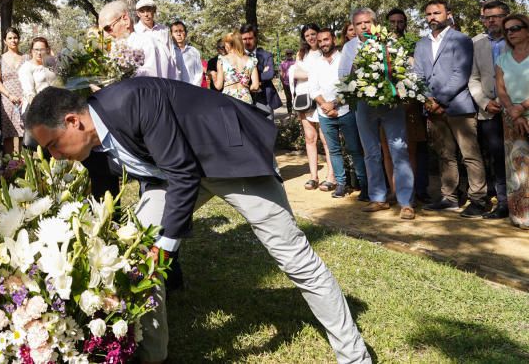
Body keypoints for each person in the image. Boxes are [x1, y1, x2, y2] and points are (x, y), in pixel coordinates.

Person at [24, 83, 372, 364]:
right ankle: (151, 354)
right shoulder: (88, 145)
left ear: (73, 121)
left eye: (53, 146)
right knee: (136, 254)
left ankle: (355, 356)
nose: (54, 156)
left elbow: (183, 173)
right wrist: (101, 243)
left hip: (225, 154)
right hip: (174, 173)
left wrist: (166, 247)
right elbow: (107, 199)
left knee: (294, 257)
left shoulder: (133, 101)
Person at [339, 8, 415, 218]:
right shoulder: (349, 48)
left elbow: (404, 72)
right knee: (371, 152)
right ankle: (378, 198)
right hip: (363, 106)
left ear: (374, 23)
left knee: (399, 149)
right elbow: (343, 76)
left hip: (391, 105)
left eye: (367, 22)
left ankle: (406, 202)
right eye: (358, 24)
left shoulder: (388, 42)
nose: (363, 26)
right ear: (353, 27)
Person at [415, 0, 488, 217]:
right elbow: (417, 75)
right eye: (428, 14)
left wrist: (439, 100)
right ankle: (450, 198)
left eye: (437, 12)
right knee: (445, 155)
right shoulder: (421, 44)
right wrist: (428, 100)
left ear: (448, 14)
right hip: (433, 109)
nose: (432, 17)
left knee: (470, 155)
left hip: (458, 107)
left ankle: (479, 200)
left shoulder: (461, 39)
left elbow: (460, 74)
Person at [309, 28, 368, 199]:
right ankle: (341, 184)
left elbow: (350, 85)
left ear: (333, 39)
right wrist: (325, 105)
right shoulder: (316, 63)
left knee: (355, 149)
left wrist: (334, 103)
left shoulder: (345, 58)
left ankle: (364, 185)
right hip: (324, 113)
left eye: (326, 40)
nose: (323, 44)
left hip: (345, 110)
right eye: (320, 41)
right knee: (334, 151)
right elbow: (313, 89)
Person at [469, 0, 511, 219]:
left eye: (496, 16)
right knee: (497, 157)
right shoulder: (476, 42)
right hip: (489, 110)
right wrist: (484, 102)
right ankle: (504, 203)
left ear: (507, 16)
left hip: (518, 109)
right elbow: (473, 78)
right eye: (487, 17)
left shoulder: (518, 39)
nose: (491, 20)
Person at [386, 7, 431, 203]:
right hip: (387, 103)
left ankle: (414, 191)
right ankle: (395, 191)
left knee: (412, 148)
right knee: (389, 148)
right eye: (393, 22)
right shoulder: (380, 43)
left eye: (400, 21)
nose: (396, 25)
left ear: (405, 23)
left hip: (410, 102)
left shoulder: (414, 43)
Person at [495, 13, 529, 229]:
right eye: (507, 30)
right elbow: (501, 89)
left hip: (523, 111)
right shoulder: (502, 59)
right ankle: (521, 215)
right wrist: (511, 110)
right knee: (517, 168)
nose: (511, 32)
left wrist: (522, 108)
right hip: (511, 118)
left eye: (516, 28)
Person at [293, 23, 334, 191]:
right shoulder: (302, 54)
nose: (310, 37)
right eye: (307, 35)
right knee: (310, 138)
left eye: (313, 34)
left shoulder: (325, 53)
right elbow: (294, 73)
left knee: (326, 139)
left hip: (322, 99)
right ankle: (313, 176)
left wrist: (308, 75)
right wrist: (313, 74)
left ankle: (331, 176)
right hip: (305, 100)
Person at [98, 0, 174, 79]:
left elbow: (148, 86)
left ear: (125, 20)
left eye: (108, 28)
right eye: (102, 32)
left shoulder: (147, 44)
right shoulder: (119, 49)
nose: (106, 35)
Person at [0, 27, 26, 154]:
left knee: (24, 133)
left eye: (15, 37)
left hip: (24, 99)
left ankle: (26, 168)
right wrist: (9, 95)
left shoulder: (26, 57)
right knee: (9, 135)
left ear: (19, 39)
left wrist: (26, 96)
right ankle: (10, 168)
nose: (13, 40)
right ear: (5, 41)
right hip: (7, 100)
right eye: (10, 38)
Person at [240, 23, 283, 116]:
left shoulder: (266, 55)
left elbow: (270, 74)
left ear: (255, 38)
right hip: (243, 98)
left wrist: (248, 78)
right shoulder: (238, 57)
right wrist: (258, 78)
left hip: (265, 98)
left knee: (268, 128)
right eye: (244, 39)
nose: (247, 42)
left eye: (250, 38)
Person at [132, 0, 176, 78]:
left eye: (148, 10)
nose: (146, 14)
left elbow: (172, 54)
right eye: (142, 11)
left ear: (154, 11)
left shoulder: (164, 30)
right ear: (138, 14)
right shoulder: (134, 31)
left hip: (165, 77)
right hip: (144, 79)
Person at [213, 32, 259, 104]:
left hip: (228, 98)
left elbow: (218, 86)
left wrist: (213, 75)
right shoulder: (252, 60)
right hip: (245, 98)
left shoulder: (222, 60)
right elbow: (256, 86)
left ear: (228, 44)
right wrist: (246, 88)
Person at [18, 36, 59, 111]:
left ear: (47, 50)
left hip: (54, 106)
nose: (39, 53)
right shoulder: (26, 68)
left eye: (42, 49)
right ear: (31, 51)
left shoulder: (51, 64)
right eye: (36, 50)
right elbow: (29, 93)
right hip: (35, 109)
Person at [168, 20, 203, 86]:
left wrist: (194, 88)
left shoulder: (194, 51)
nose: (178, 34)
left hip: (191, 90)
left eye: (181, 31)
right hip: (174, 90)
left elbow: (199, 72)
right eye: (175, 31)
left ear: (186, 33)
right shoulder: (168, 51)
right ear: (171, 34)